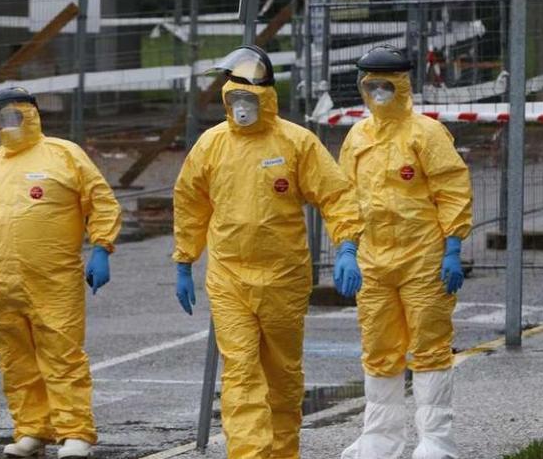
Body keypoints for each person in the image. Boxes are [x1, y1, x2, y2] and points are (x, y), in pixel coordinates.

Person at [173, 45, 364, 459]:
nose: (241, 105)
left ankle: (282, 451)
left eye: (248, 97)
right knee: (241, 373)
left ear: (264, 94)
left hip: (284, 277)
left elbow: (335, 195)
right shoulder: (211, 146)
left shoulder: (296, 143)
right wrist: (184, 260)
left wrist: (347, 243)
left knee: (282, 375)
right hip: (229, 278)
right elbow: (190, 201)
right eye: (234, 97)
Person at [0, 86, 121, 459]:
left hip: (53, 280)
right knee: (16, 357)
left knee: (61, 353)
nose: (5, 125)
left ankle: (74, 431)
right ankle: (30, 429)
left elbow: (101, 202)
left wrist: (101, 247)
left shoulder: (64, 155)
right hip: (3, 283)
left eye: (13, 116)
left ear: (30, 115)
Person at [338, 46, 473, 459]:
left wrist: (452, 246)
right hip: (373, 263)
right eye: (371, 83)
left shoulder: (426, 134)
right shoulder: (357, 137)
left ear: (402, 84)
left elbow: (451, 189)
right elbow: (344, 196)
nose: (378, 91)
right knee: (379, 347)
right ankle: (380, 438)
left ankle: (435, 441)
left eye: (386, 83)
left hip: (423, 259)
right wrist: (346, 246)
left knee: (430, 346)